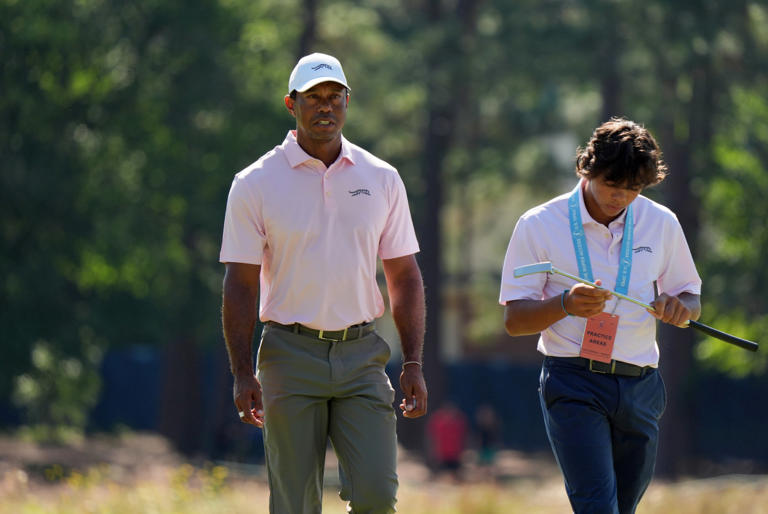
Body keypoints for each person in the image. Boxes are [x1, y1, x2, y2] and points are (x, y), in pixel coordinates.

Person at [220, 52, 428, 514]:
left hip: (362, 356)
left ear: (348, 101)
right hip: (288, 356)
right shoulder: (254, 182)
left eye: (334, 96)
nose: (325, 107)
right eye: (313, 97)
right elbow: (239, 283)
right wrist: (240, 371)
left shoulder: (382, 178)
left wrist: (412, 361)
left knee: (377, 495)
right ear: (291, 104)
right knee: (295, 504)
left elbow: (404, 275)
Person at [499, 118, 702, 514]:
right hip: (573, 382)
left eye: (634, 189)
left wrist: (681, 308)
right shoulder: (539, 224)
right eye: (613, 185)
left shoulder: (661, 223)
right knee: (597, 506)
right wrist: (564, 305)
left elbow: (690, 296)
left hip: (641, 384)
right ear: (586, 168)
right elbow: (514, 321)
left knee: (622, 508)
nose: (621, 197)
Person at [425, 401, 468, 482]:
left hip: (454, 454)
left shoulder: (458, 421)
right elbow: (432, 437)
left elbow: (462, 438)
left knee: (455, 477)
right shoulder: (438, 420)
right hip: (441, 454)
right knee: (437, 477)